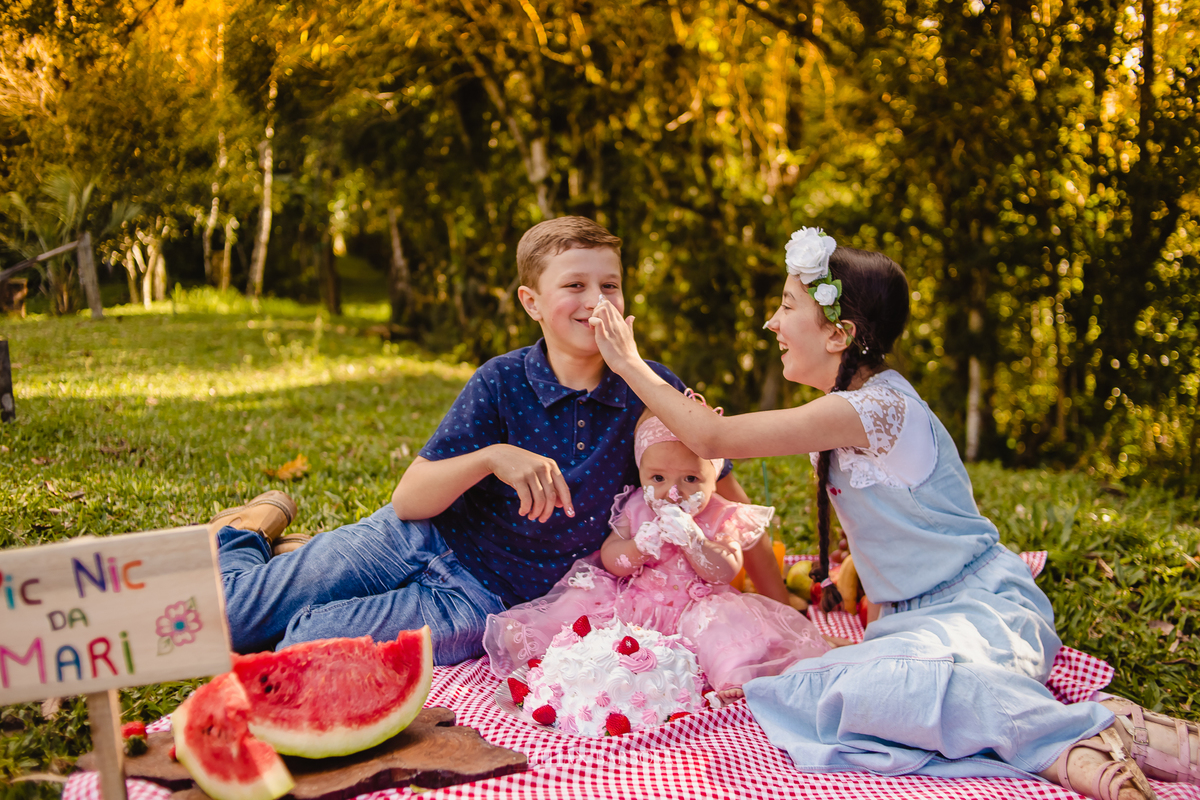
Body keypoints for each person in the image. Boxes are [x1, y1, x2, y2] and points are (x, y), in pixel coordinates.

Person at [587, 227, 1198, 800]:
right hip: (910, 629)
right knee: (797, 691)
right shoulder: (842, 408)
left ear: (838, 334)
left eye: (787, 306)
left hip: (982, 614)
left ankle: (1074, 738)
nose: (772, 322)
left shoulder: (876, 409)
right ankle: (1071, 729)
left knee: (872, 686)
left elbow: (711, 438)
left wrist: (628, 362)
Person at [209, 216, 787, 666]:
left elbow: (724, 502)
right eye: (575, 285)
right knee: (227, 620)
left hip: (482, 598)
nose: (596, 300)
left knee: (302, 641)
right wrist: (492, 458)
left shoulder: (652, 386)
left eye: (609, 285)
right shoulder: (502, 380)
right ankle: (244, 536)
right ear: (531, 302)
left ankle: (287, 560)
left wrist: (777, 601)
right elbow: (412, 500)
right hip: (418, 536)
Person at [483, 402, 830, 696]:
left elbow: (726, 568)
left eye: (691, 479)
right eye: (658, 479)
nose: (673, 493)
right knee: (583, 626)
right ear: (642, 474)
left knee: (727, 638)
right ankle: (547, 652)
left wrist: (695, 541)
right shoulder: (636, 505)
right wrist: (637, 548)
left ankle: (735, 681)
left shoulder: (720, 514)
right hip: (635, 603)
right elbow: (610, 557)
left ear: (714, 477)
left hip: (699, 611)